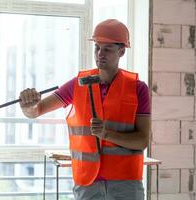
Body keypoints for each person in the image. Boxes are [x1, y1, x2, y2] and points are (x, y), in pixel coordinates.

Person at [19, 19, 150, 200]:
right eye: (97, 47)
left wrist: (107, 134)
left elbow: (142, 140)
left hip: (125, 184)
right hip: (88, 184)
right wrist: (28, 105)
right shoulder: (78, 84)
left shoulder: (137, 89)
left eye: (107, 49)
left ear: (121, 51)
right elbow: (36, 111)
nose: (100, 54)